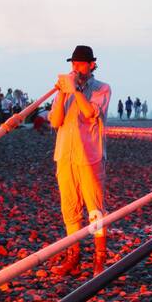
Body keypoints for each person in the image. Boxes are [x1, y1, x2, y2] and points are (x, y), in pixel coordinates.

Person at [49, 45, 112, 277]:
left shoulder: (101, 89)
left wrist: (75, 90)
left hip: (90, 156)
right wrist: (63, 92)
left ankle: (99, 261)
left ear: (91, 65)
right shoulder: (65, 90)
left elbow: (89, 113)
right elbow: (55, 121)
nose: (75, 68)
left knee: (95, 209)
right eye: (73, 64)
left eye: (80, 64)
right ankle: (73, 257)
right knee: (70, 208)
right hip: (65, 154)